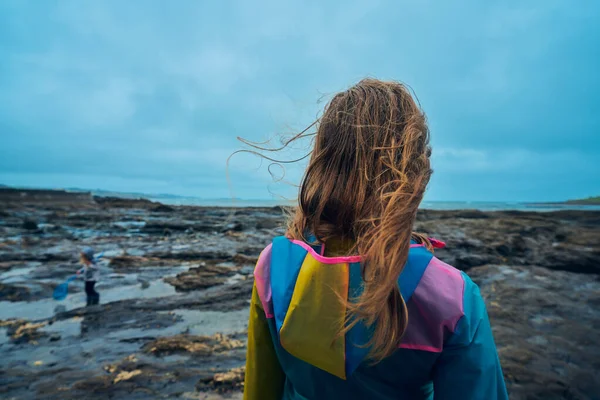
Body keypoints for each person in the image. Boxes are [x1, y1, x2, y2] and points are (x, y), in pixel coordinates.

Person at [243, 79, 508, 399]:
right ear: (415, 174)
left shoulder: (273, 266)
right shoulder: (453, 298)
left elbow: (259, 392)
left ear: (324, 162)